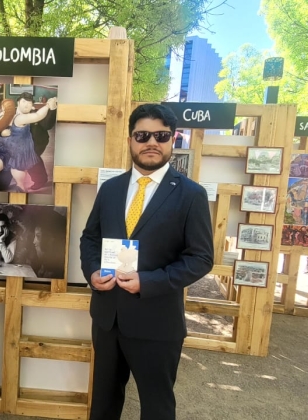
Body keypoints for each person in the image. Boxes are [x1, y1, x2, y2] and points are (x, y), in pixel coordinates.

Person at [79, 103, 214, 420]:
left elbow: (201, 258)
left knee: (157, 406)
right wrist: (92, 272)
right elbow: (90, 238)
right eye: (142, 135)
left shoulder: (190, 195)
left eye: (161, 135)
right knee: (103, 403)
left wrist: (149, 281)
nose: (151, 142)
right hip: (107, 318)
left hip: (157, 322)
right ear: (130, 140)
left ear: (172, 140)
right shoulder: (111, 189)